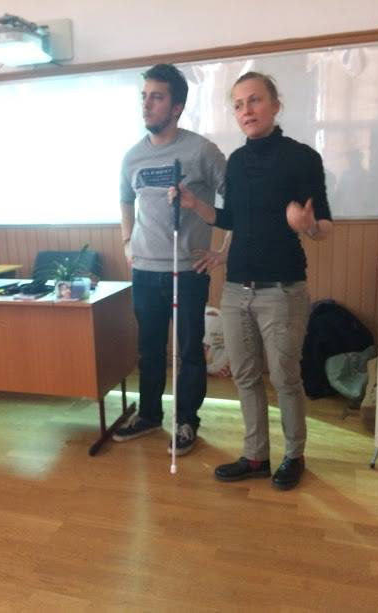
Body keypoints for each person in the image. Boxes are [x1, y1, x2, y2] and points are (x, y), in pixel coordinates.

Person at [171, 71, 333, 488]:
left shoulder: (302, 157)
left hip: (282, 290)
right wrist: (195, 205)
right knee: (244, 376)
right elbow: (233, 219)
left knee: (284, 378)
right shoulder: (238, 163)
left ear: (275, 105)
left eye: (255, 100)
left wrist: (307, 224)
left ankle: (294, 455)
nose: (247, 111)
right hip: (235, 289)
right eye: (239, 105)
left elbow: (324, 226)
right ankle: (256, 455)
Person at [112, 63, 226, 456]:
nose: (146, 105)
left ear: (177, 107)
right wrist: (127, 242)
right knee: (148, 350)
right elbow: (125, 199)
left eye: (156, 97)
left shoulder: (202, 151)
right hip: (145, 269)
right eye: (144, 96)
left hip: (187, 271)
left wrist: (222, 251)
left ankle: (187, 421)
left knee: (190, 351)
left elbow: (236, 201)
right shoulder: (132, 156)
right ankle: (149, 415)